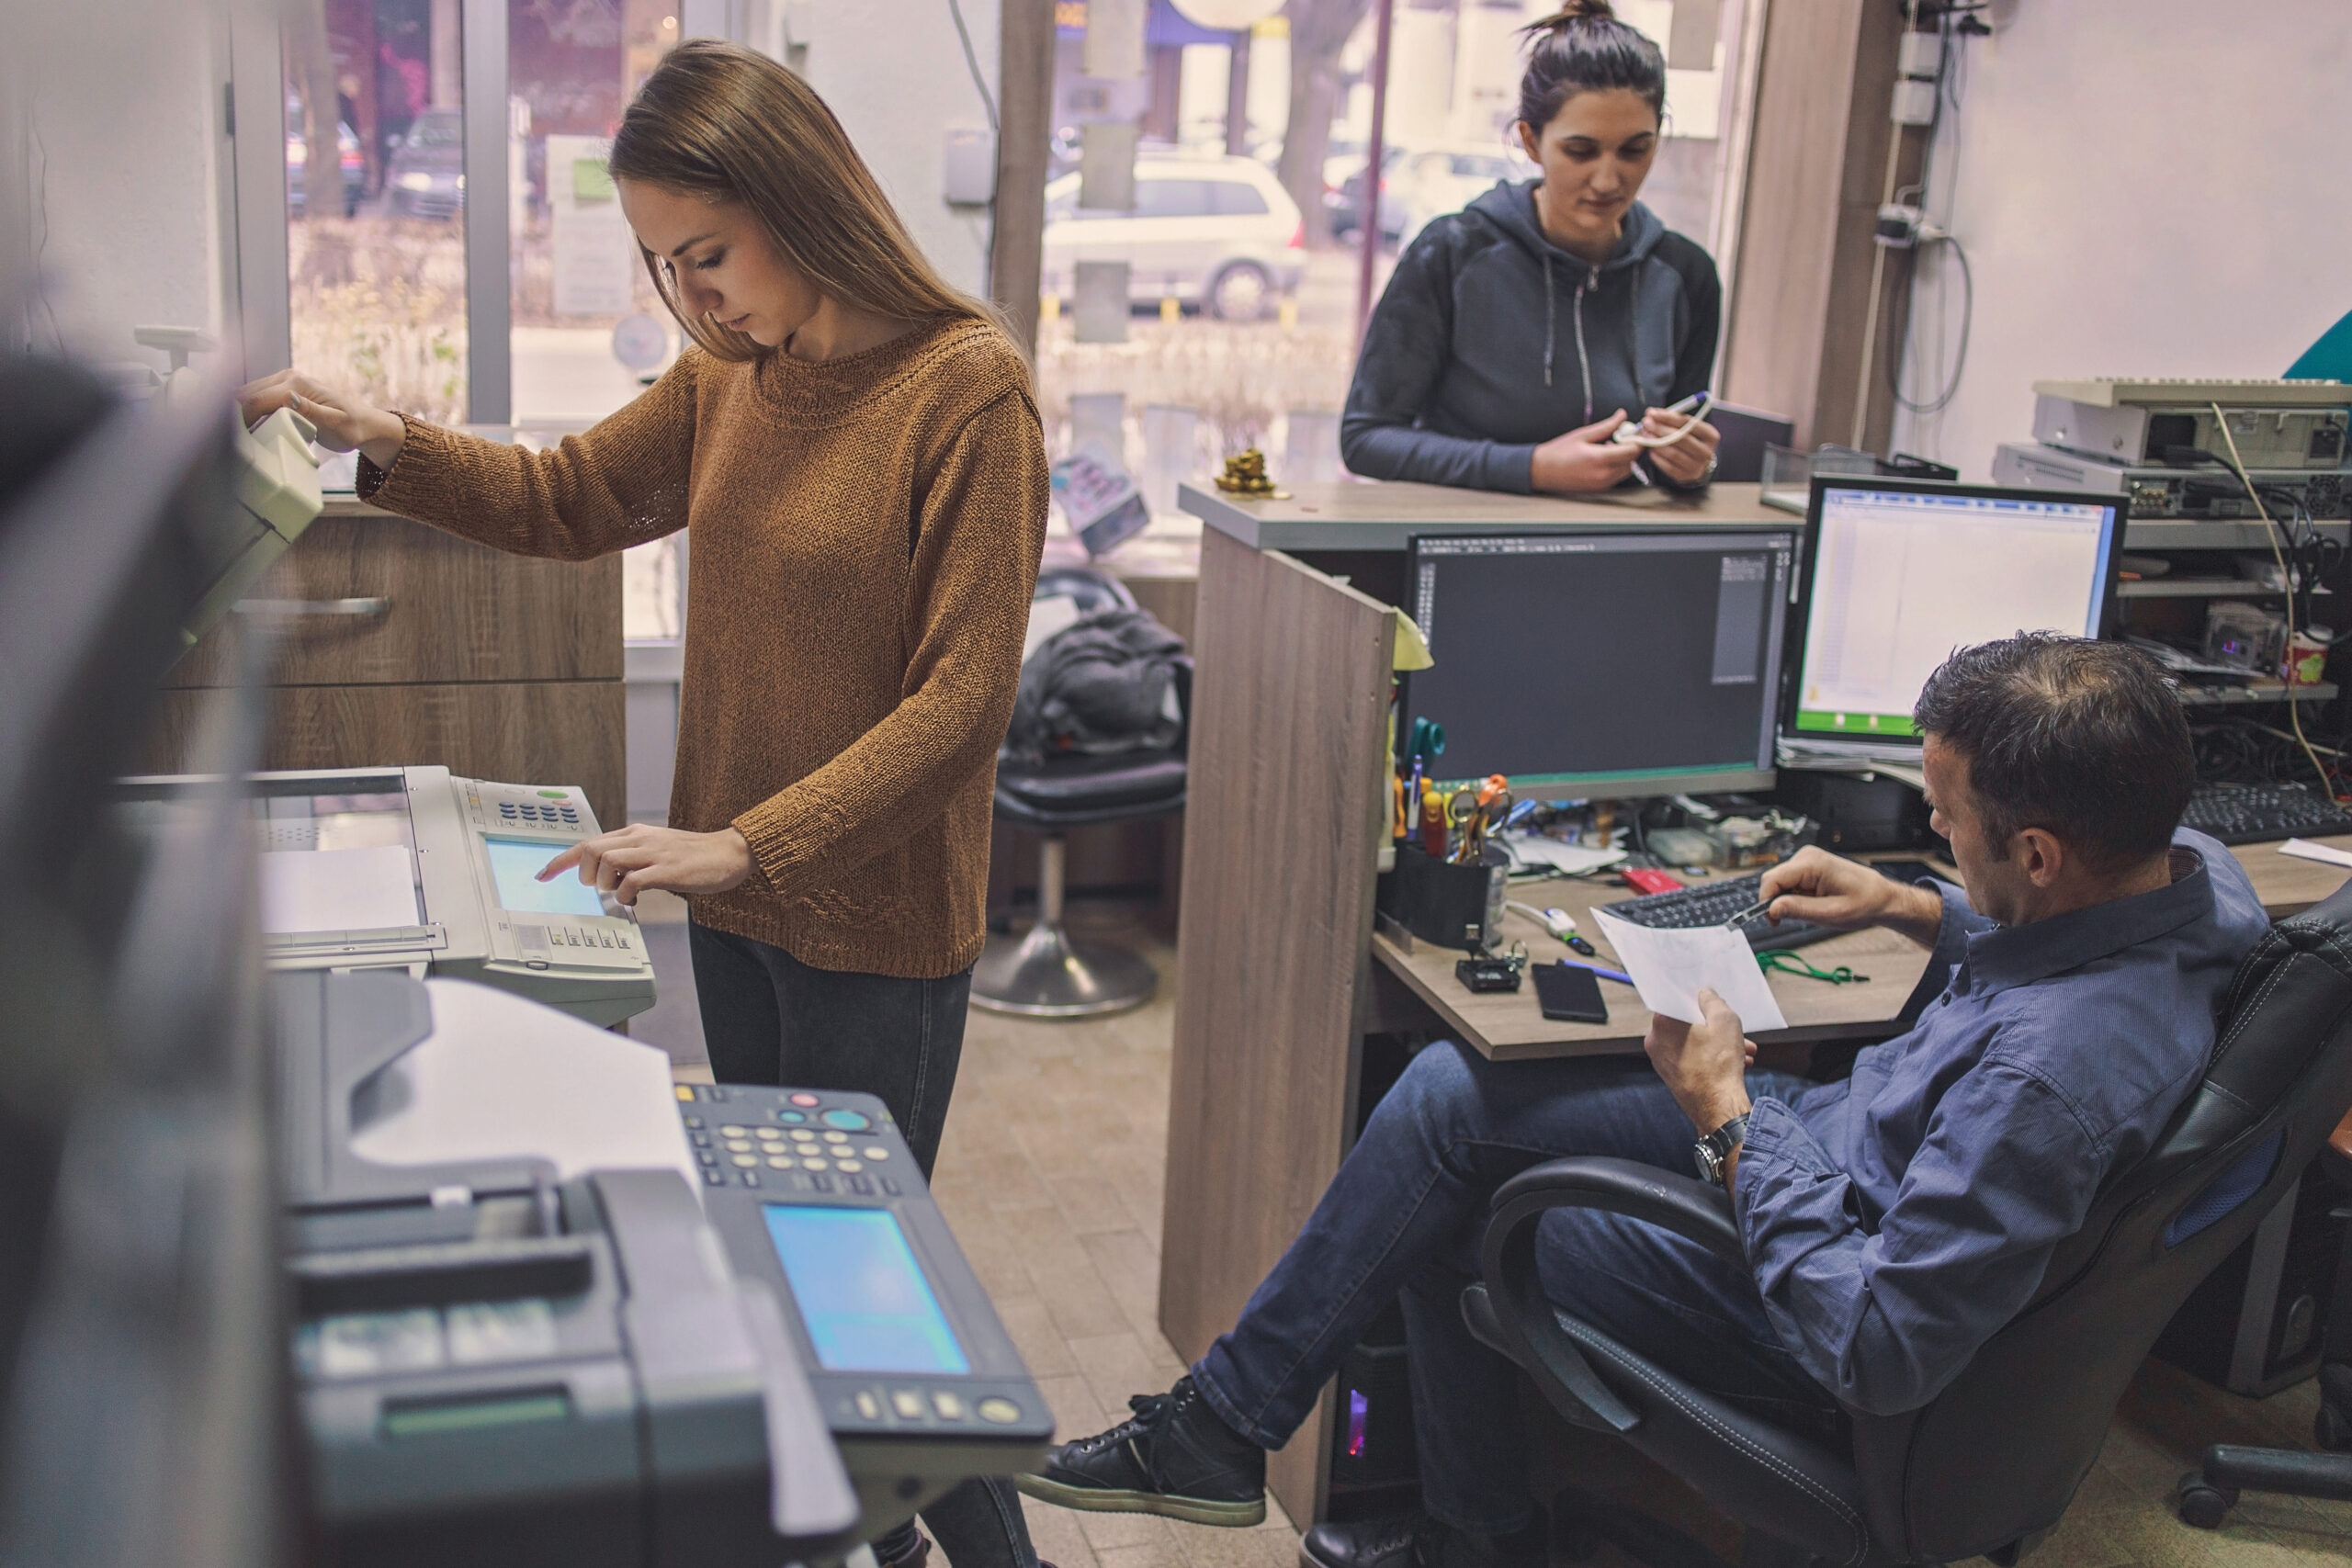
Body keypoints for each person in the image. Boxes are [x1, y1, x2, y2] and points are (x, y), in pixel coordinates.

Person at [239, 40, 1049, 1568]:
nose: (695, 296)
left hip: (873, 921)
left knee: (877, 1340)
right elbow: (570, 501)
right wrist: (388, 443)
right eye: (665, 264)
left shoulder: (967, 393)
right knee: (793, 1302)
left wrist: (751, 840)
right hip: (734, 911)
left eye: (711, 255)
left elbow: (960, 709)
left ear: (805, 202)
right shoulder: (731, 375)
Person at [1017, 634, 2268, 1568]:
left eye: (1946, 826)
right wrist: (1919, 904)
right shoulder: (2191, 880)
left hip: (1818, 1280)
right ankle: (1234, 1428)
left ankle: (1459, 1529)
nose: (1933, 838)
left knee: (1465, 1200)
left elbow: (1872, 1343)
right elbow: (2062, 944)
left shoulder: (2043, 1081)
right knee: (1453, 1091)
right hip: (1830, 1156)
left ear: (2040, 854)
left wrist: (1730, 1115)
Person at [1341, 0, 1722, 498]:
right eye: (1580, 151)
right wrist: (1530, 468)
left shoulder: (1685, 274)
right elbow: (1365, 439)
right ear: (1530, 140)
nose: (1608, 180)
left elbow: (1673, 460)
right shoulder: (1453, 252)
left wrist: (1691, 468)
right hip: (1466, 553)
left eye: (1635, 149)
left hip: (1617, 556)